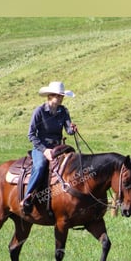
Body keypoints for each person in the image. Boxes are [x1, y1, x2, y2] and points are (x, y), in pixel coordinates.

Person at [21, 81, 78, 213]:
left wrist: (72, 129)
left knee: (73, 163)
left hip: (58, 147)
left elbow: (68, 129)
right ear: (50, 96)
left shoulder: (63, 111)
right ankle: (27, 197)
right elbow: (31, 134)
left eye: (61, 96)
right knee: (40, 166)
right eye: (58, 96)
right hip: (41, 147)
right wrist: (44, 150)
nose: (61, 98)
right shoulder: (39, 111)